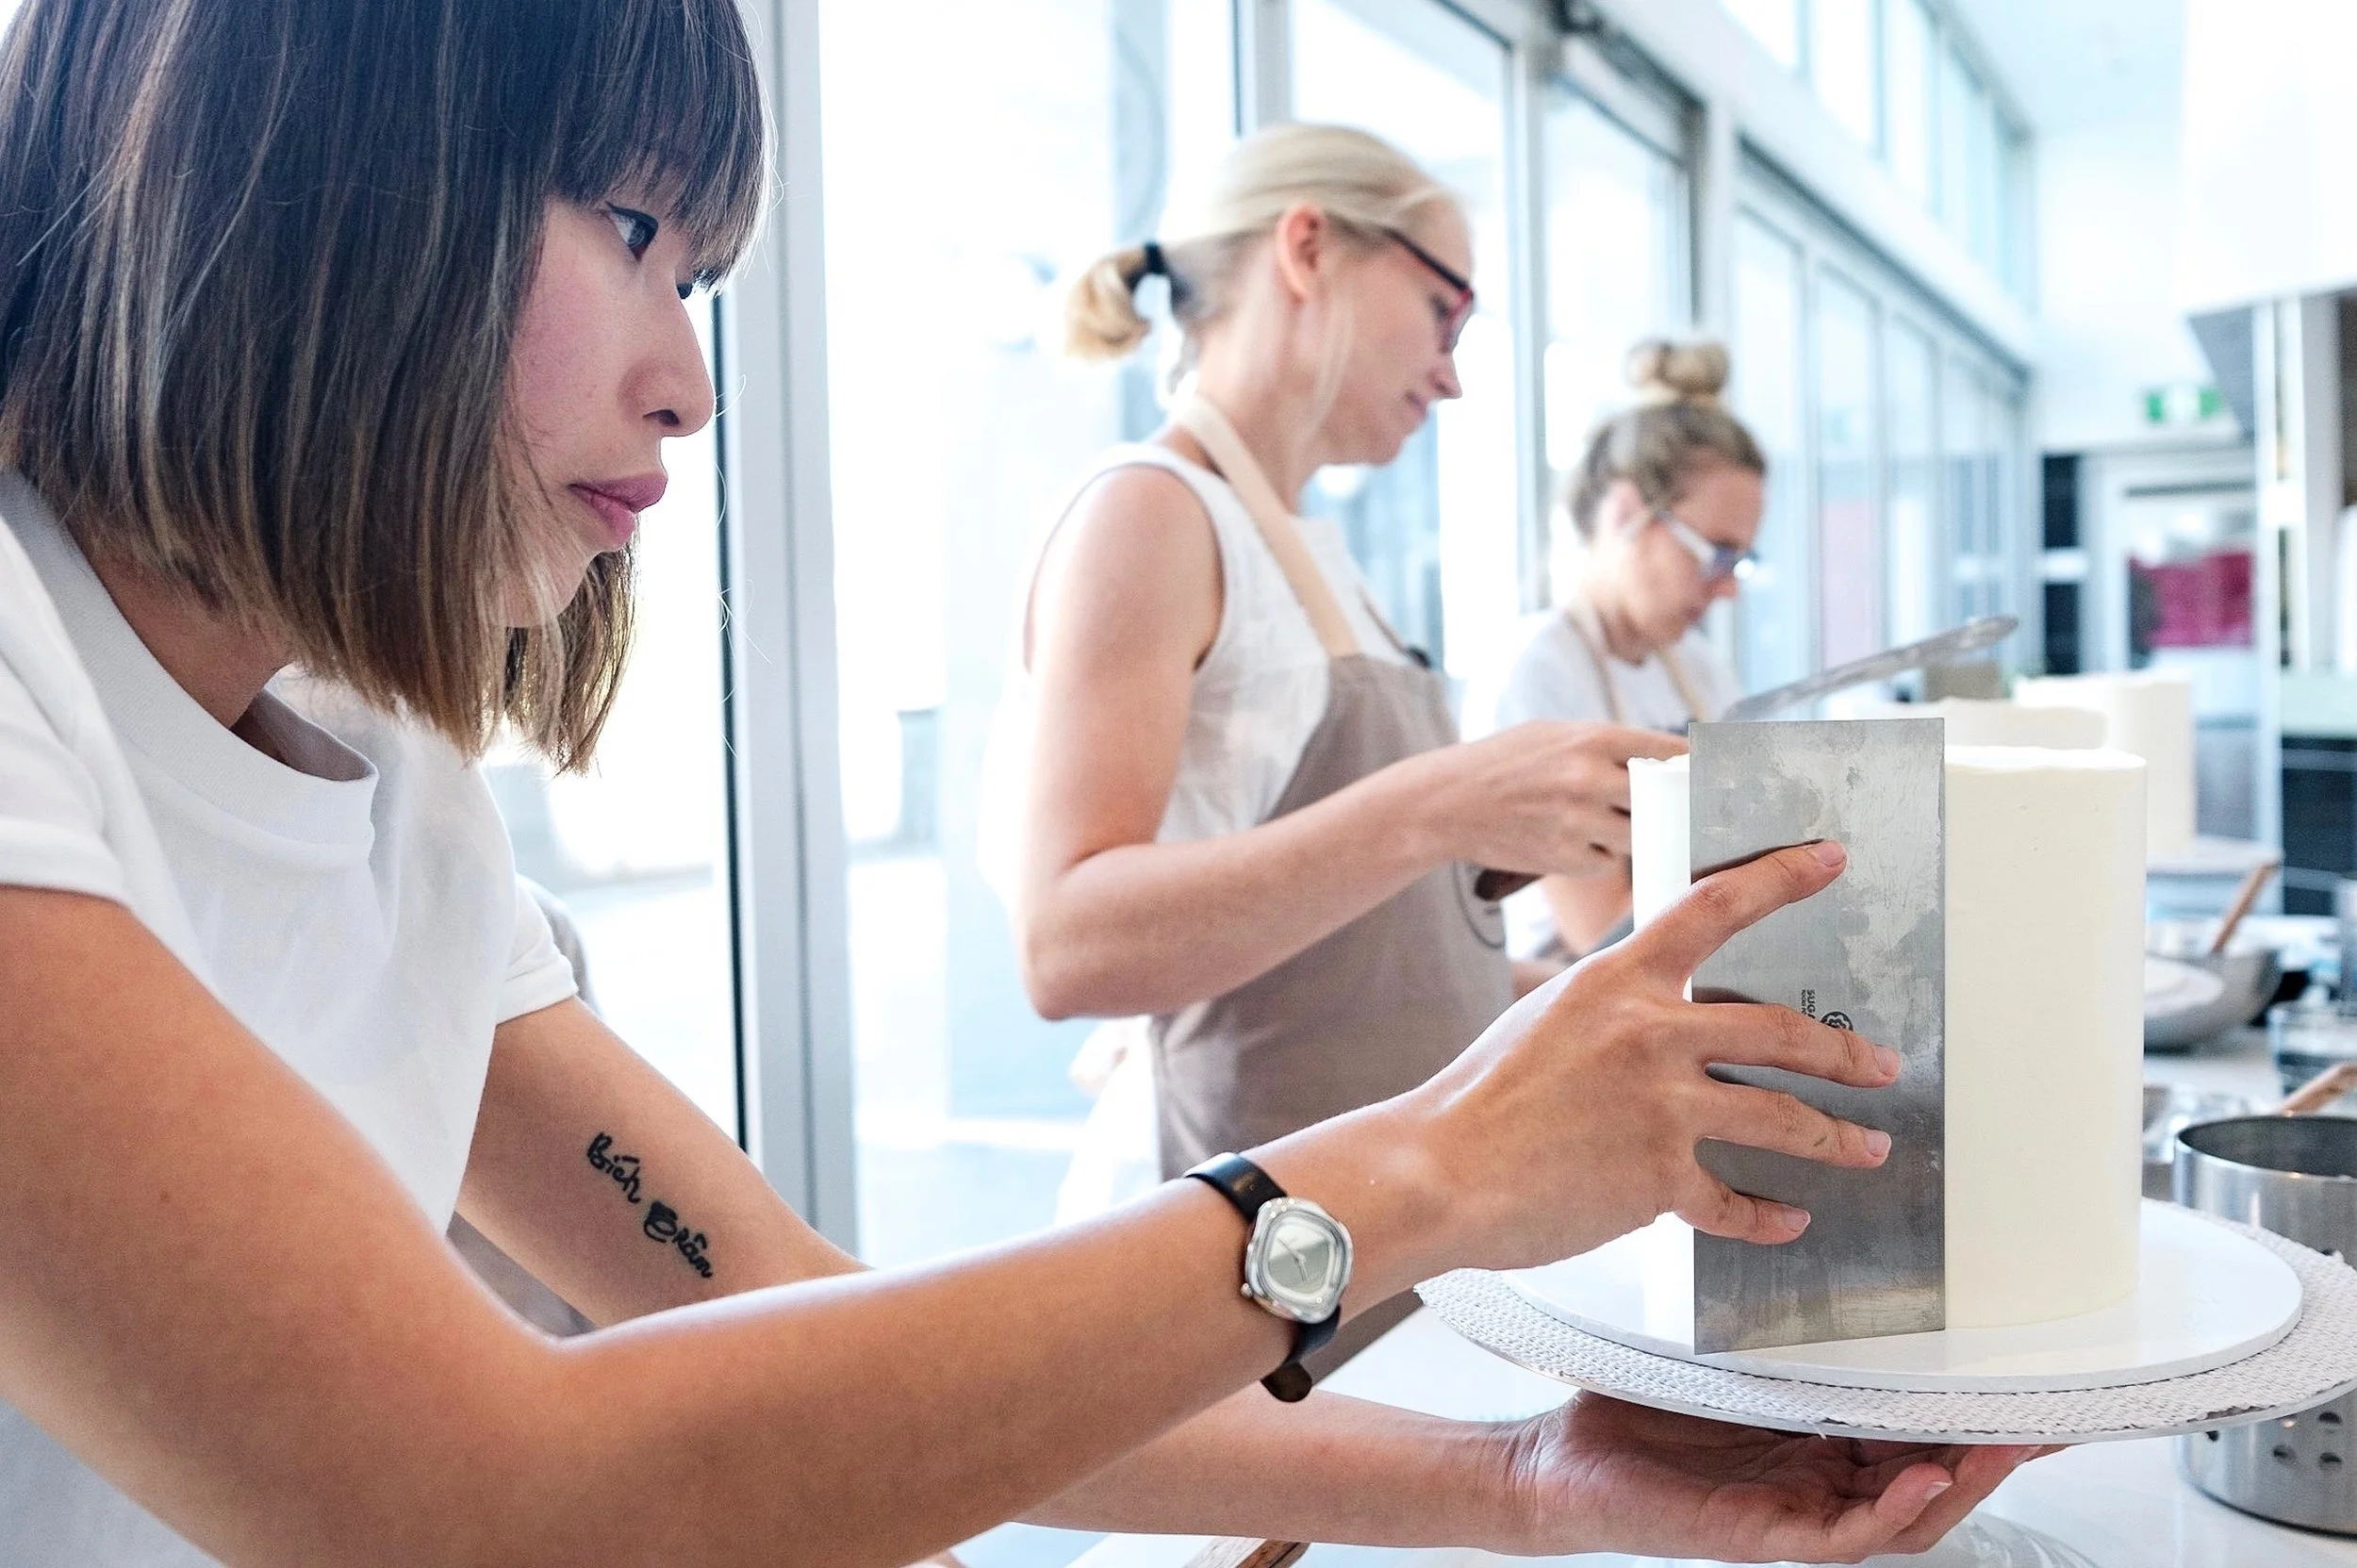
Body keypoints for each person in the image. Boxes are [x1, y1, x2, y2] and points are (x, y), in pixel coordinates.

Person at [0, 4, 2041, 1563]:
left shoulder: (390, 770)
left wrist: (1523, 1477)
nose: (689, 379)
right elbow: (489, 1492)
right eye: (628, 228)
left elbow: (785, 1314)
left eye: (698, 279)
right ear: (304, 159)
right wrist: (1430, 1163)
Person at [997, 125, 1683, 1223]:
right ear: (1309, 249)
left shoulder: (1306, 553)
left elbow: (1337, 967)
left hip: (1355, 1222)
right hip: (1217, 1245)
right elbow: (1067, 943)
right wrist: (1443, 805)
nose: (1454, 376)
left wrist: (1572, 994)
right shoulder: (1149, 513)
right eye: (1443, 312)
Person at [1463, 339, 1764, 961]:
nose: (1729, 586)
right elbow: (1597, 933)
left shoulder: (1702, 669)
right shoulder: (1538, 672)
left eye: (1741, 561)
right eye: (1716, 553)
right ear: (1628, 513)